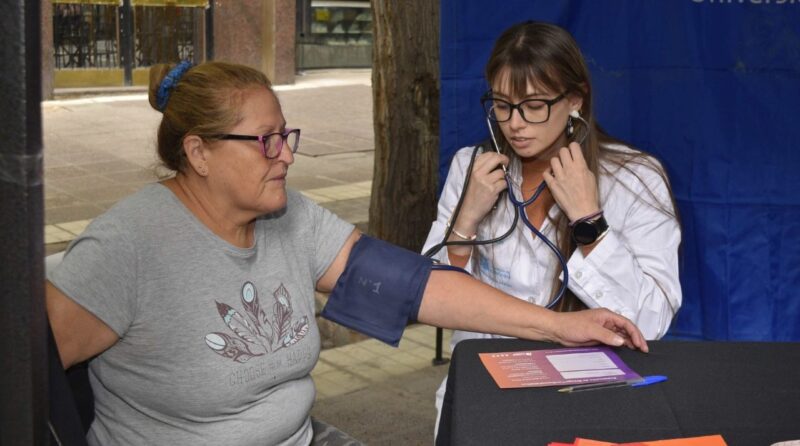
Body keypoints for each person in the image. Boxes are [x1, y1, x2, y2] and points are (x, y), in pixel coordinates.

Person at [46, 60, 647, 446]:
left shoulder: (290, 216)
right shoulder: (127, 248)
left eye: (286, 135)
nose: (286, 154)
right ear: (199, 153)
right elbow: (30, 381)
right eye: (266, 141)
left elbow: (417, 285)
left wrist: (559, 326)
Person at [422, 21, 682, 431]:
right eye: (502, 104)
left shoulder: (636, 179)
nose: (516, 124)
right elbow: (433, 298)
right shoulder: (471, 167)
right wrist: (466, 220)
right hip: (487, 382)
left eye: (535, 105)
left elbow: (650, 322)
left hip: (590, 390)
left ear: (575, 100)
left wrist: (589, 222)